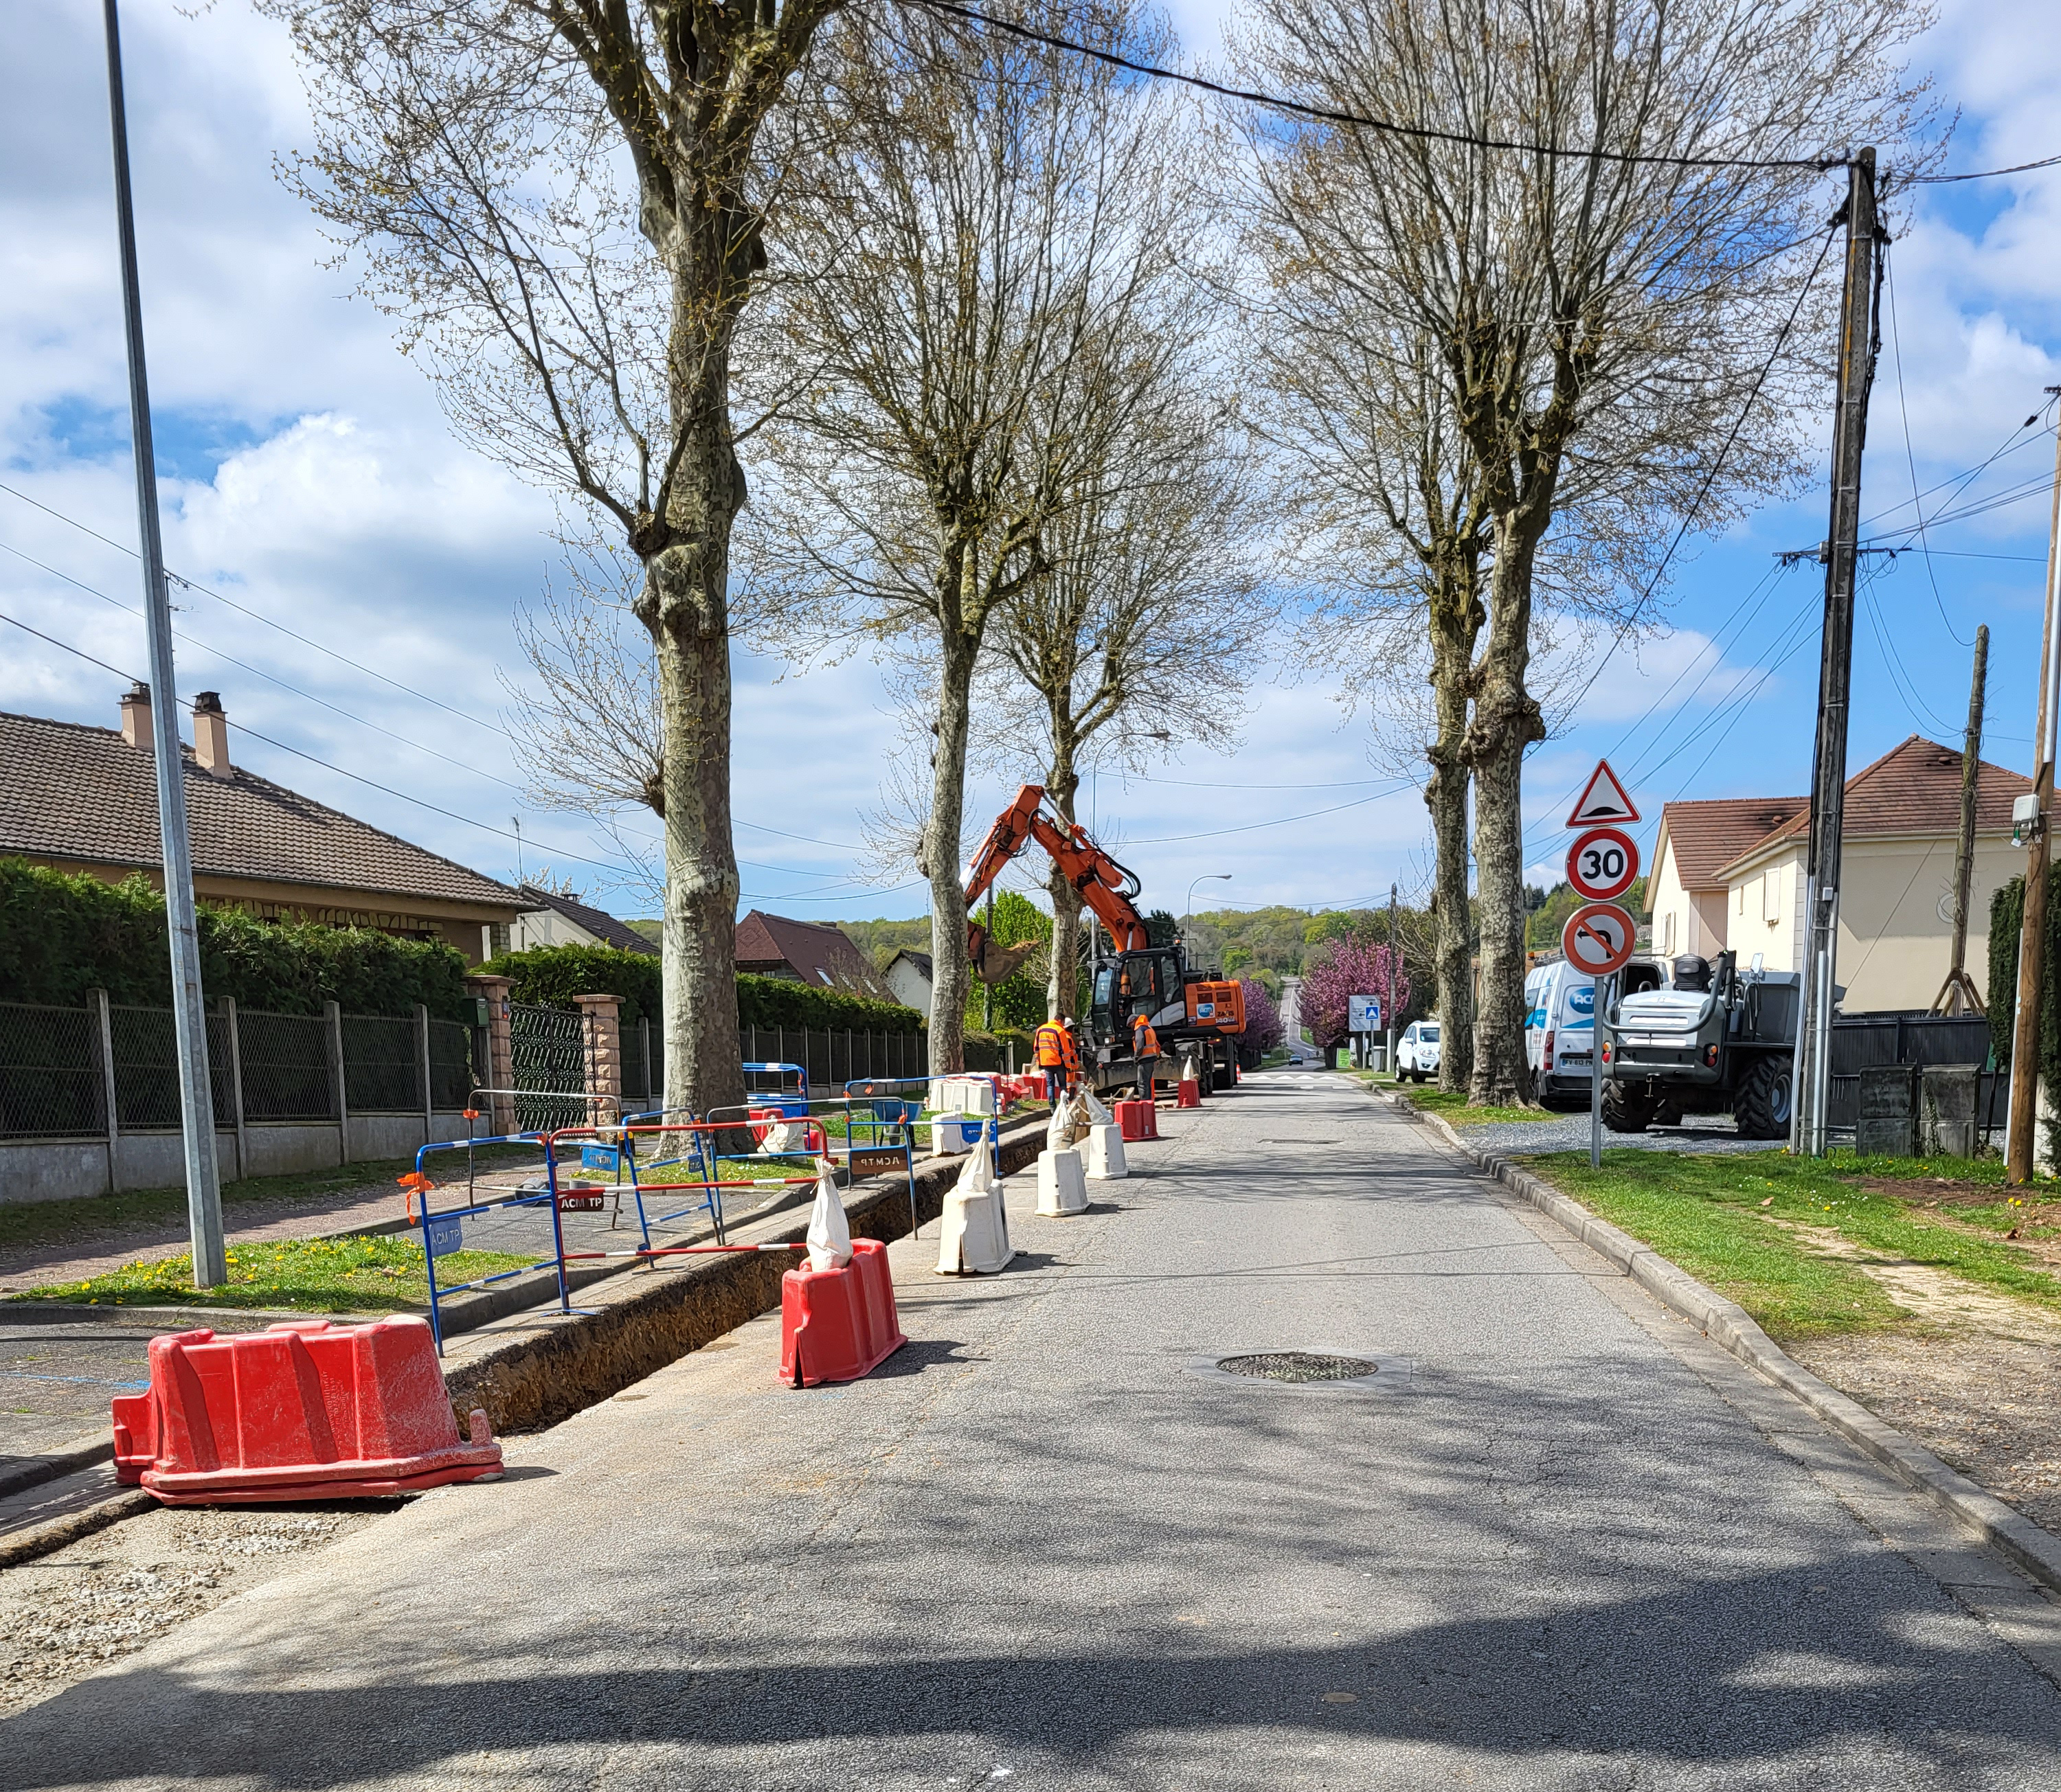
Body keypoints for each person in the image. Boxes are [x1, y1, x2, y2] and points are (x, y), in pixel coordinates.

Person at [1033, 1017, 1067, 1103]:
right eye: (1063, 1022)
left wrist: (1039, 1061)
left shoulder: (1040, 1029)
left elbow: (1036, 1048)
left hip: (1045, 1062)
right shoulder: (1060, 1030)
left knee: (1050, 1086)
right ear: (1060, 1020)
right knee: (1062, 1085)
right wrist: (1068, 1065)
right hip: (1058, 1062)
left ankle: (1052, 1106)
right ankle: (1064, 1105)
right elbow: (1065, 1049)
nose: (1063, 1025)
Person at [1130, 1011, 1160, 1102]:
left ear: (1134, 1021)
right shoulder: (1149, 1029)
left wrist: (1136, 1057)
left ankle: (1144, 1104)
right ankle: (1149, 1103)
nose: (1131, 1027)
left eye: (1130, 1024)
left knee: (1142, 1084)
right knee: (1147, 1083)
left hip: (1144, 1060)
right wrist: (1157, 1057)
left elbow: (1139, 1046)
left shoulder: (1140, 1030)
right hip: (1151, 1059)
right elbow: (1157, 1045)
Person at [1059, 1019, 1084, 1091]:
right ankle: (1068, 1098)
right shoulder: (1067, 1038)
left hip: (1068, 1066)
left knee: (1070, 1084)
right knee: (1069, 1085)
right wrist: (1076, 1050)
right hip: (1068, 1066)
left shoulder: (1065, 1036)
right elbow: (1067, 1053)